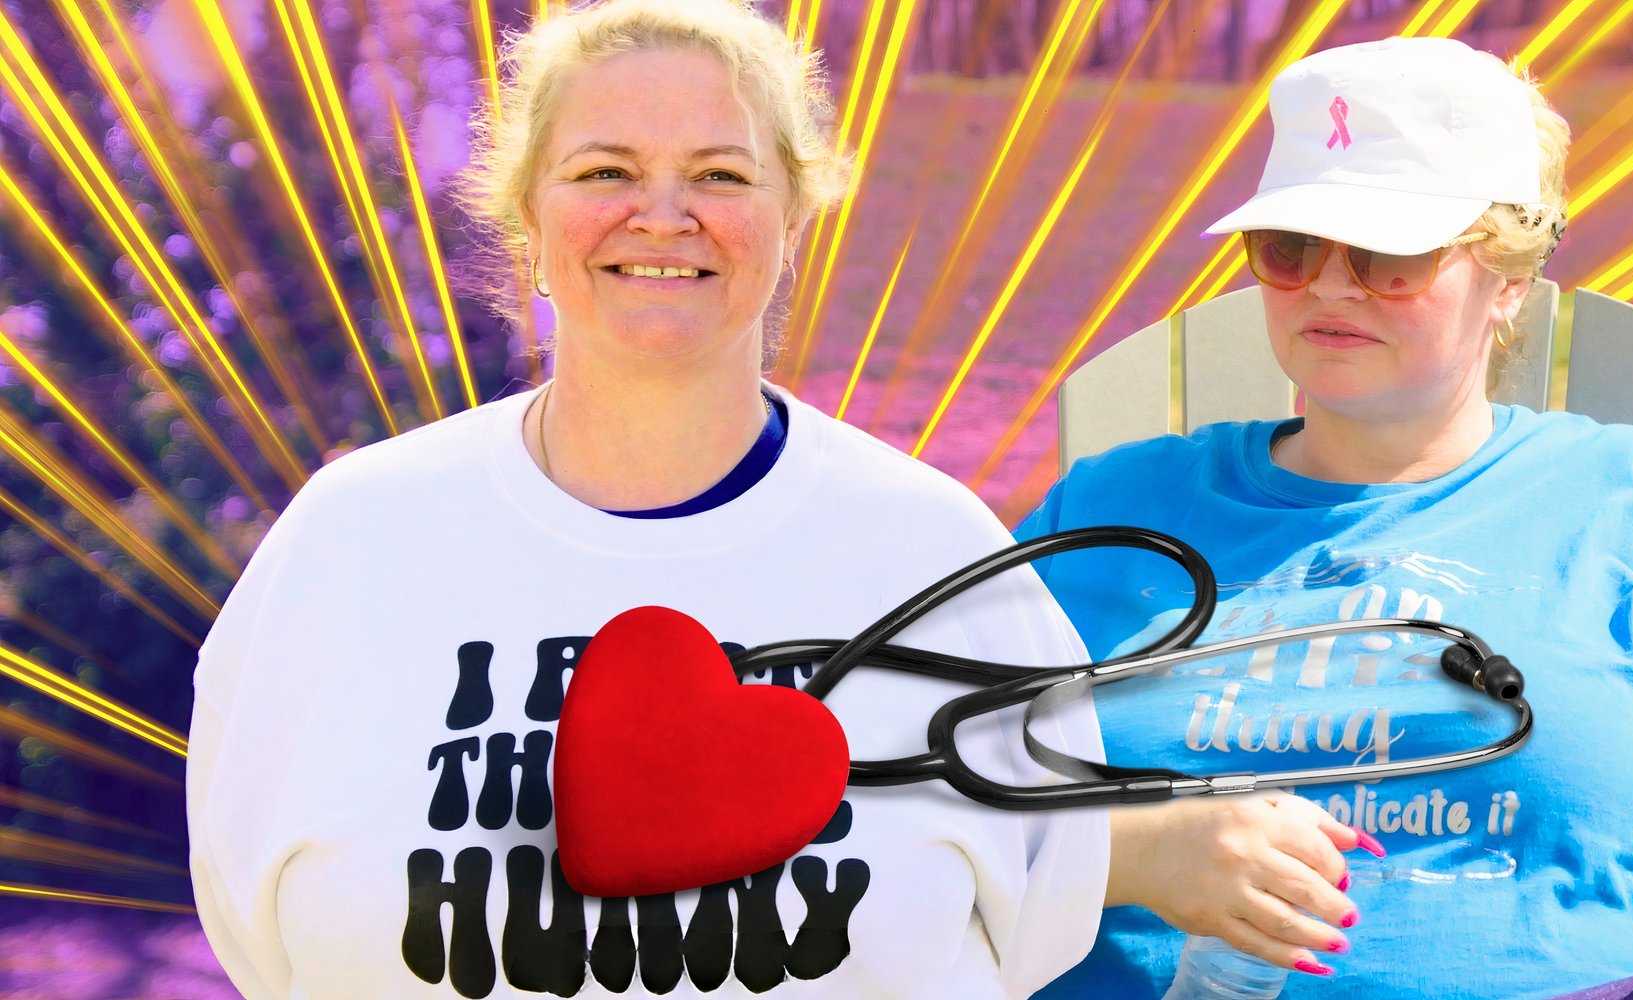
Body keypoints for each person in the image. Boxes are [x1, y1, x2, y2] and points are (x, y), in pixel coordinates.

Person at [185, 2, 1110, 996]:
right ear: (528, 215)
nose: (662, 215)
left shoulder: (938, 560)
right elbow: (252, 911)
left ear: (789, 219)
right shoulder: (349, 542)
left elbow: (1040, 915)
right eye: (603, 172)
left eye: (720, 174)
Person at [1016, 37, 1633, 999]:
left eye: (1387, 256)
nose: (1330, 285)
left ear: (1508, 279)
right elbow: (907, 786)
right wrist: (1131, 854)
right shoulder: (1111, 513)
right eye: (1289, 249)